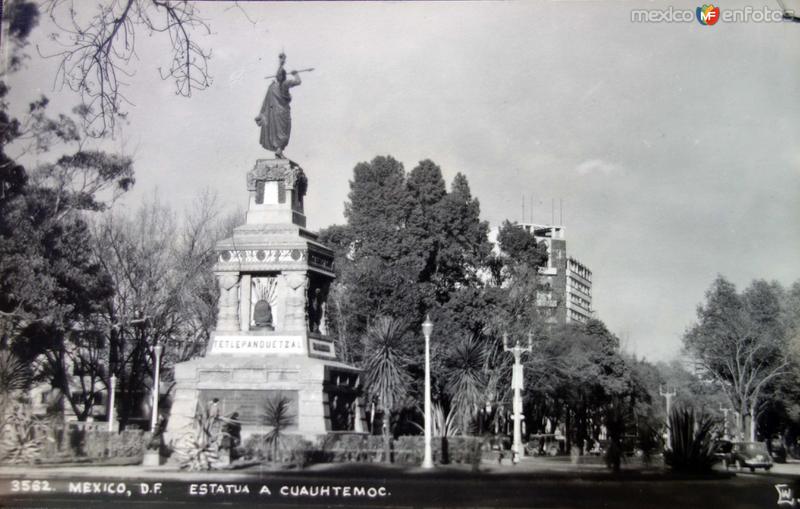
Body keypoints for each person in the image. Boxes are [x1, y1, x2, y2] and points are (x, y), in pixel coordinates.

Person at [255, 53, 301, 158]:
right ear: (285, 76)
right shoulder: (286, 84)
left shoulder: (272, 86)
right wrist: (295, 73)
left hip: (275, 113)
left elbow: (265, 102)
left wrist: (281, 64)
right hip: (283, 113)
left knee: (278, 133)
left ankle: (278, 151)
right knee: (284, 133)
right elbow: (298, 81)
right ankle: (279, 150)